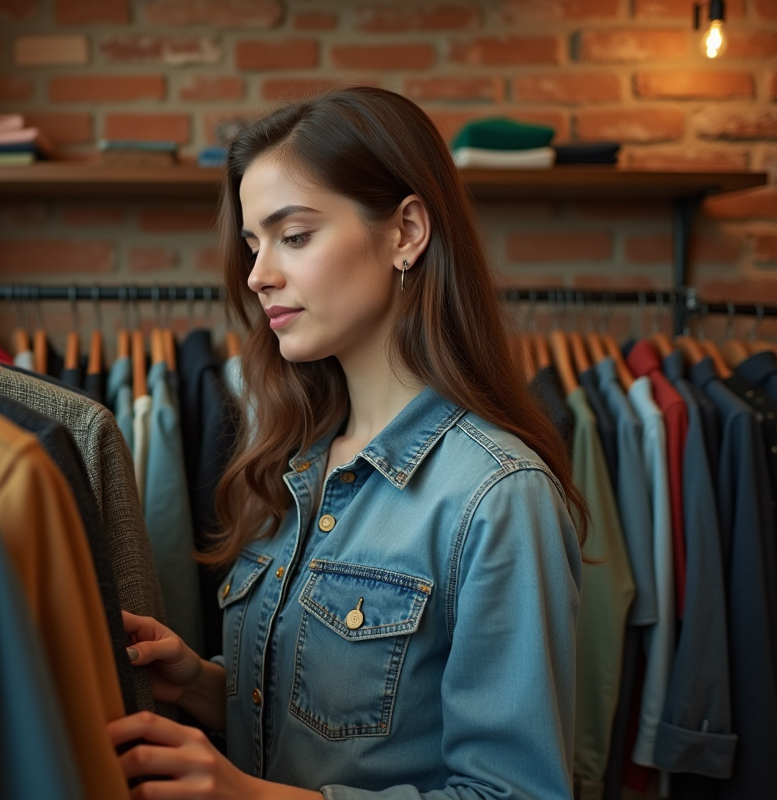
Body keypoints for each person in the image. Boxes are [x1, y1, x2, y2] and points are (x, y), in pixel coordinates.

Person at [107, 87, 587, 800]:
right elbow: (333, 724)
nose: (257, 275)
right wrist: (206, 685)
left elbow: (513, 793)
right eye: (253, 244)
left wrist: (249, 797)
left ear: (406, 233)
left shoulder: (497, 498)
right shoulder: (292, 459)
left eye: (294, 236)